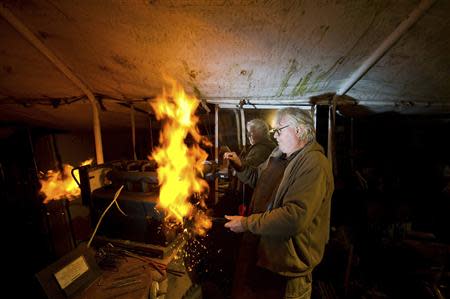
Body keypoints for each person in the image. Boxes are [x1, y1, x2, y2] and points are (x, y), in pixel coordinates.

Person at [223, 107, 334, 299]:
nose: (275, 136)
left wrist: (246, 223)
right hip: (262, 258)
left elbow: (294, 217)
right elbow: (258, 177)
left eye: (280, 130)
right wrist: (239, 165)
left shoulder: (314, 164)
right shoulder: (278, 154)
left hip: (286, 272)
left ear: (299, 130)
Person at [229, 118, 276, 215]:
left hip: (255, 198)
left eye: (251, 132)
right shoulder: (266, 147)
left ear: (260, 134)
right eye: (248, 133)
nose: (248, 136)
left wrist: (236, 164)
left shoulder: (261, 150)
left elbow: (250, 171)